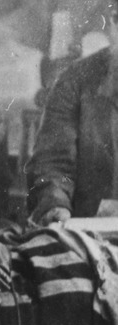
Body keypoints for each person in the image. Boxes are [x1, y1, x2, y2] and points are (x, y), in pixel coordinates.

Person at [27, 3, 118, 225]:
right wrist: (56, 204)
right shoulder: (74, 82)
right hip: (95, 234)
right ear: (114, 23)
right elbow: (53, 165)